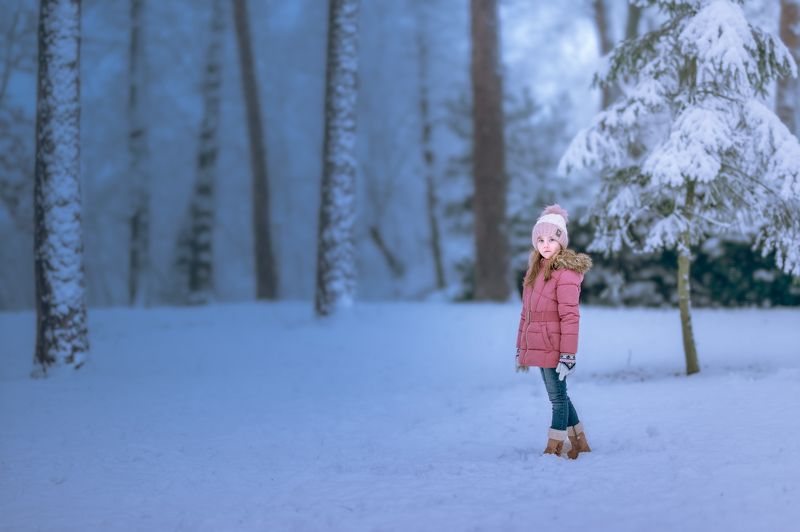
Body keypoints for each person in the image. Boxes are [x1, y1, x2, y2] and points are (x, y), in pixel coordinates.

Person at [514, 204, 592, 459]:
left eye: (552, 239)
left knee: (557, 398)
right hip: (537, 342)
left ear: (562, 242)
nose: (546, 245)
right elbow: (526, 314)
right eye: (540, 239)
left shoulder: (565, 274)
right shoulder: (534, 272)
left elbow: (570, 316)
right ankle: (579, 442)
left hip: (555, 344)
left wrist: (568, 354)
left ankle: (554, 447)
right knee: (559, 395)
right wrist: (520, 346)